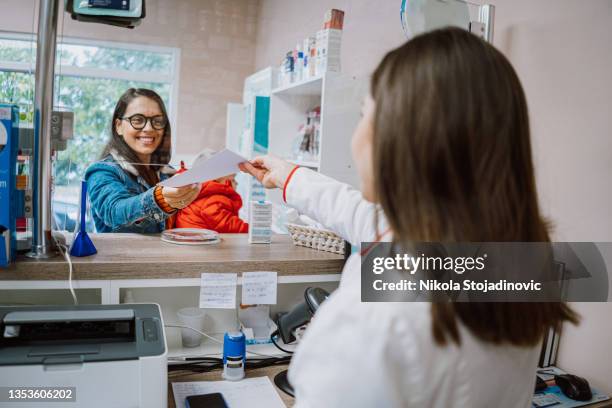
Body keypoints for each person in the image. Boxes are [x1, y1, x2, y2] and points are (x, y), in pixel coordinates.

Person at [241, 28, 579, 407]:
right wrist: (289, 177)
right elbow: (363, 215)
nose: (357, 137)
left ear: (405, 140)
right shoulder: (518, 262)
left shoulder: (374, 322)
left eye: (364, 115)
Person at [85, 88, 200, 233]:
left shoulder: (166, 172)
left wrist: (219, 178)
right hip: (122, 256)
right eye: (138, 120)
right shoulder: (102, 171)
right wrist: (158, 199)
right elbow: (115, 211)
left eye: (157, 121)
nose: (149, 128)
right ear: (118, 126)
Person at [172, 149, 248, 233]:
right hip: (197, 242)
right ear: (218, 177)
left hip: (192, 239)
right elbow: (229, 225)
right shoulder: (212, 198)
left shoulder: (197, 192)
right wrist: (250, 229)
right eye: (233, 180)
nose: (236, 183)